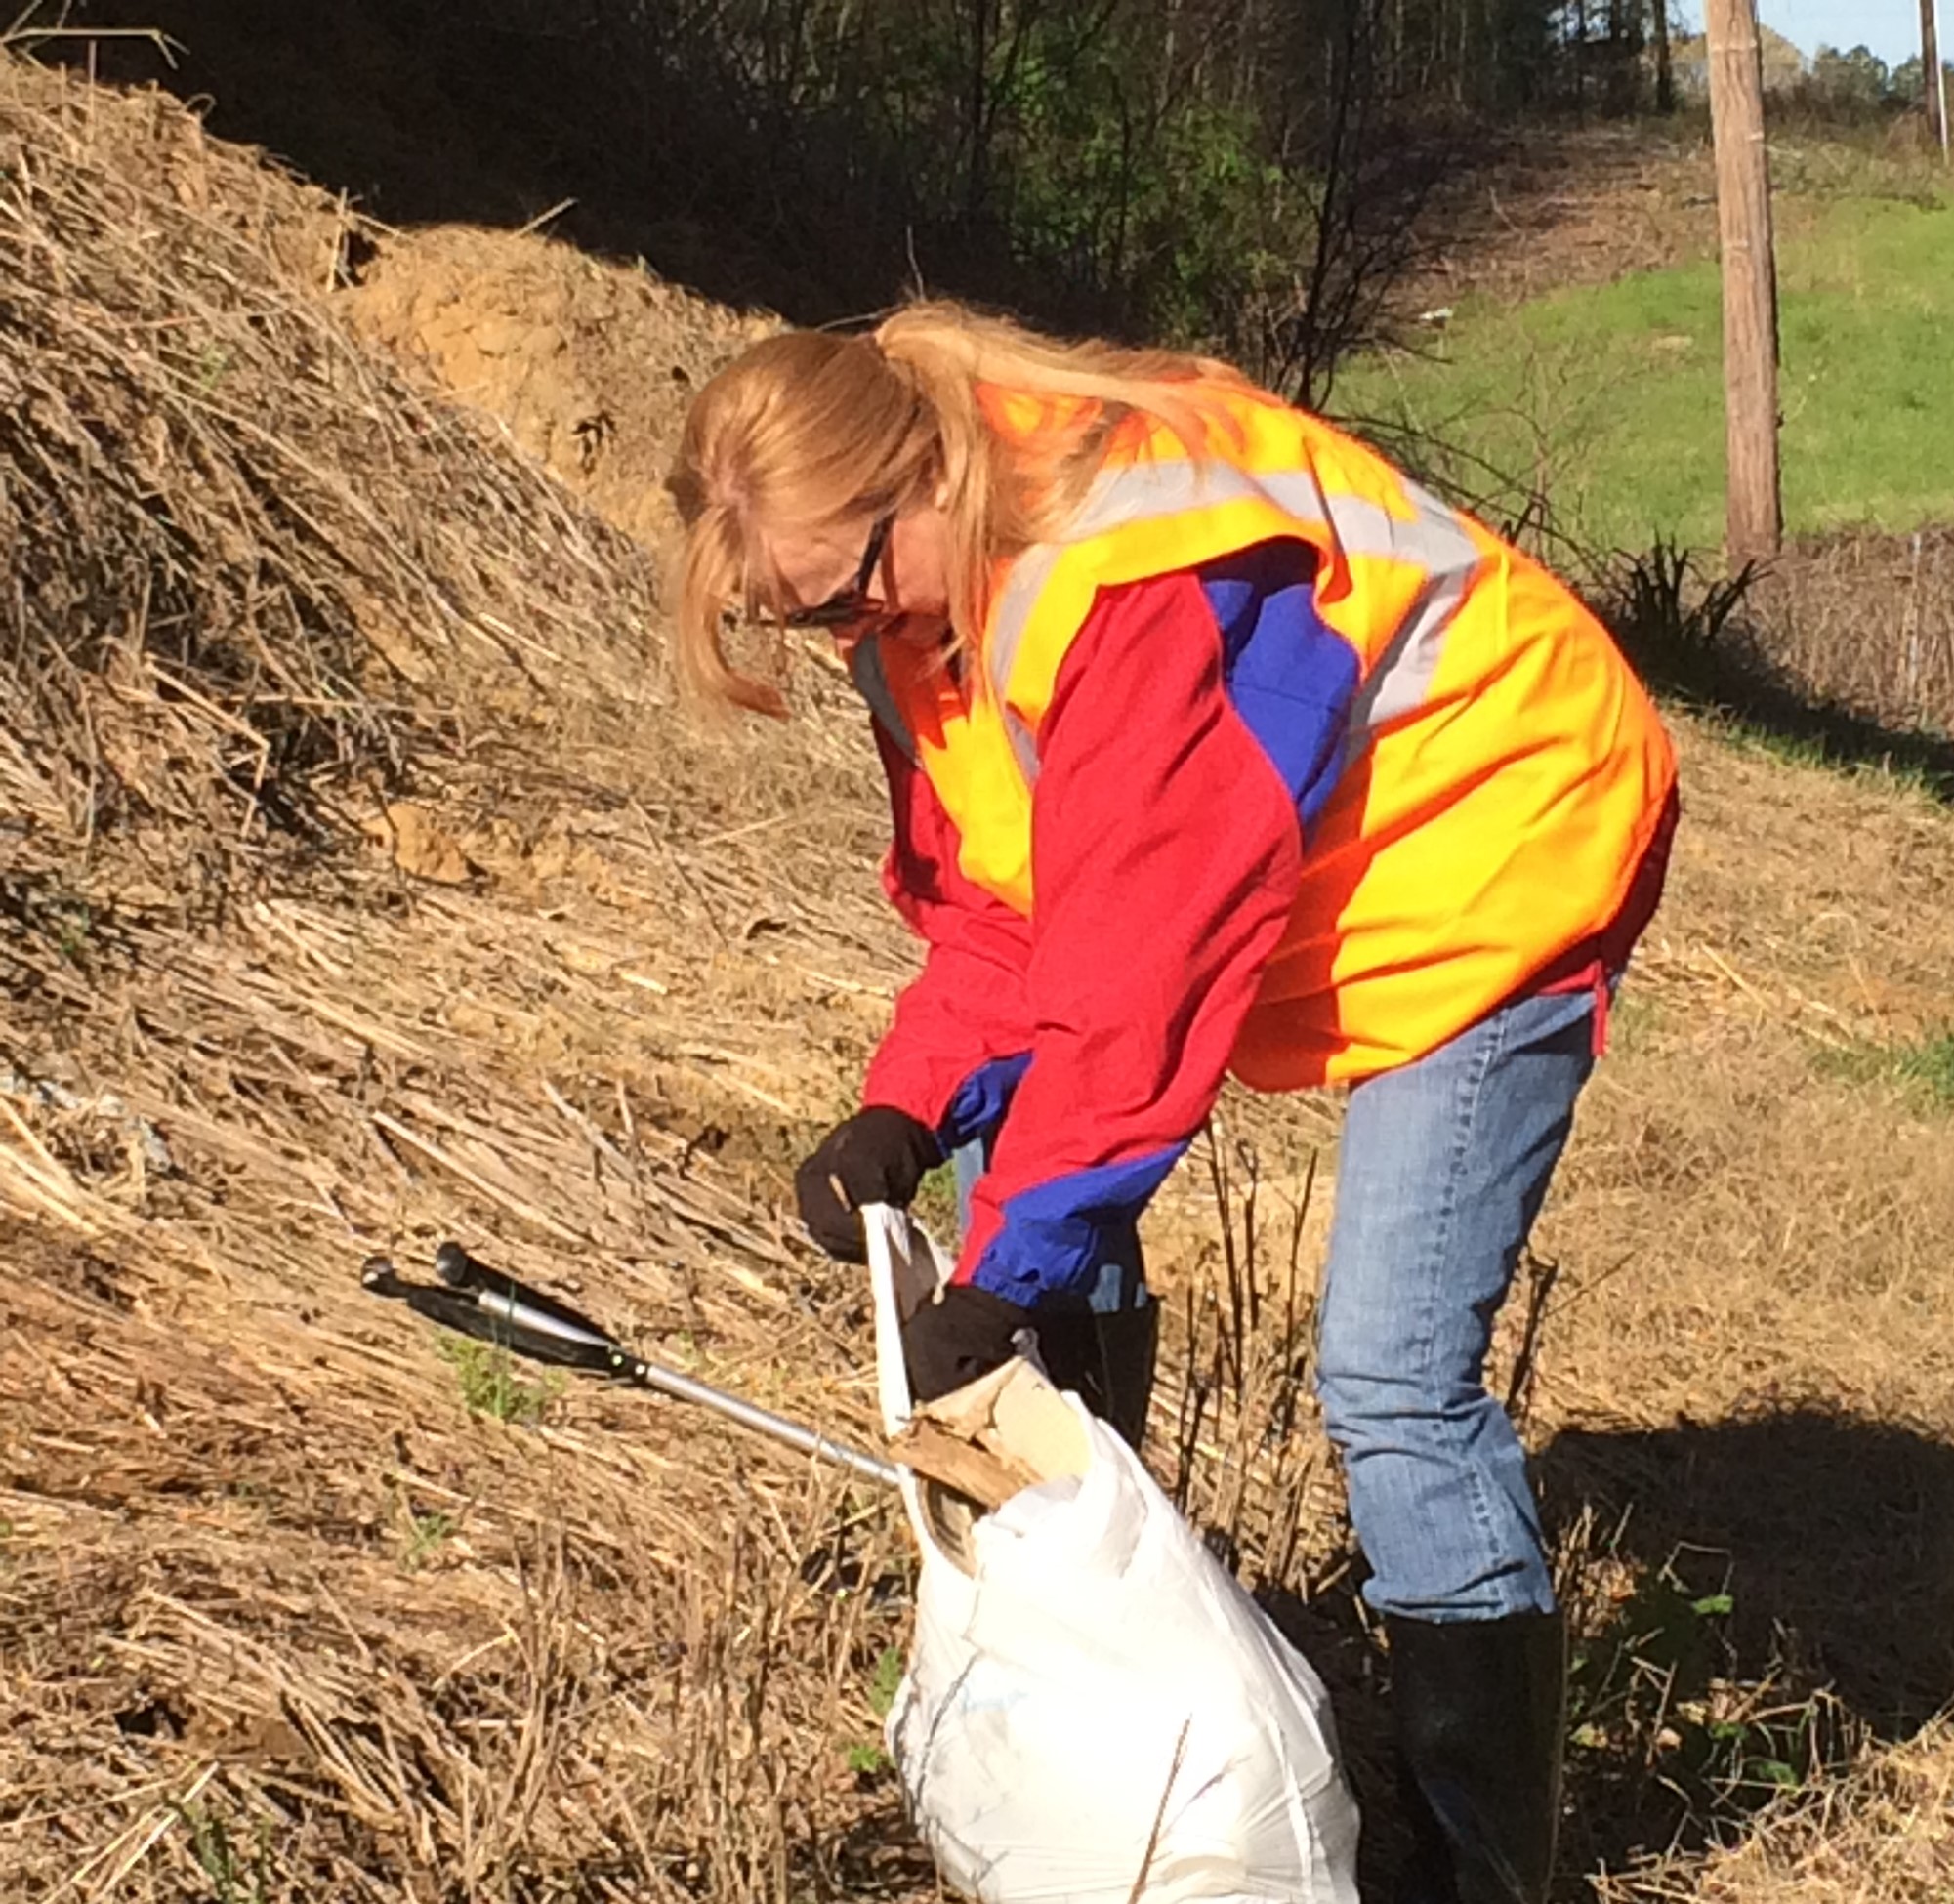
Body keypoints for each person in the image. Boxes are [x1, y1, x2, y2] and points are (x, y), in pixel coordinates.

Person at [666, 302, 1678, 1904]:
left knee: (1395, 1378)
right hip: (1329, 875)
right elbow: (1018, 909)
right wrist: (907, 1110)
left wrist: (1005, 1271)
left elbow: (1141, 973)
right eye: (805, 623)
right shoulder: (915, 613)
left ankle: (1483, 1874)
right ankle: (1090, 1652)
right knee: (1022, 1179)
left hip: (1505, 846)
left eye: (846, 592)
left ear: (915, 481)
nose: (845, 634)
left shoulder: (1143, 578)